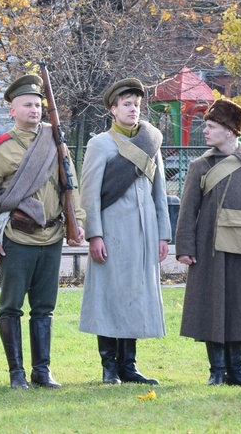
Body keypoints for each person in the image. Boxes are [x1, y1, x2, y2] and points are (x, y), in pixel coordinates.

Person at [0, 74, 85, 389]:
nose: (34, 110)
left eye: (38, 105)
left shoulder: (56, 142)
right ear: (12, 110)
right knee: (11, 306)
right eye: (27, 105)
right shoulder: (1, 148)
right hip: (17, 238)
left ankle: (42, 371)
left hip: (52, 237)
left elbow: (71, 185)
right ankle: (17, 374)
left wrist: (77, 223)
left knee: (44, 308)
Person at [176, 98, 241, 387]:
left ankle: (237, 371)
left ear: (230, 131)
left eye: (211, 126)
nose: (206, 132)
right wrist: (185, 247)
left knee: (239, 307)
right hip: (209, 247)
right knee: (211, 307)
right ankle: (216, 371)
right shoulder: (200, 166)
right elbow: (188, 210)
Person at [78, 78, 171, 385]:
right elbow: (89, 195)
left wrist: (162, 234)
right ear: (113, 109)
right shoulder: (99, 144)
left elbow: (159, 192)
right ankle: (109, 366)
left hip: (143, 235)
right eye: (127, 104)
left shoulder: (150, 141)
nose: (133, 110)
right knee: (108, 297)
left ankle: (128, 366)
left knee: (135, 298)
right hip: (112, 233)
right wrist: (95, 235)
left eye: (137, 105)